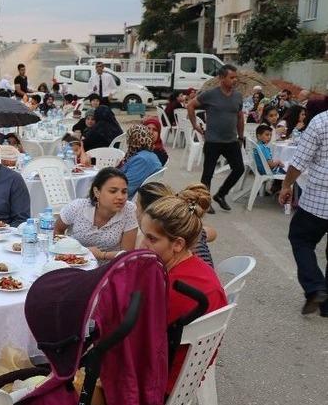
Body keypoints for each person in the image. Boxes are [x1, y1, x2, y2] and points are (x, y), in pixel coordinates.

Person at [138, 190, 226, 393]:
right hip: (183, 376)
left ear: (178, 244)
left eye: (151, 239)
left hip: (159, 384)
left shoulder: (179, 287)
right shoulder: (196, 268)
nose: (143, 244)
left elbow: (138, 339)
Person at [279, 109, 328, 315]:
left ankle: (315, 287)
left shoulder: (321, 121)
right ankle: (326, 306)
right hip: (319, 199)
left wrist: (287, 185)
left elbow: (299, 161)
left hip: (319, 199)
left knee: (300, 239)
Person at [189, 64, 245, 213]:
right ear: (221, 78)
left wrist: (241, 137)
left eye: (236, 77)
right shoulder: (210, 94)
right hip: (213, 141)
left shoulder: (238, 96)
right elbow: (191, 105)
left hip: (231, 141)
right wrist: (195, 124)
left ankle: (221, 194)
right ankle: (204, 203)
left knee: (239, 168)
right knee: (208, 173)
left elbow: (240, 117)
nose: (235, 80)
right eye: (231, 77)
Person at [54, 167, 137, 262]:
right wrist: (65, 257)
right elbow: (58, 230)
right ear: (97, 192)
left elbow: (126, 255)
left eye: (124, 192)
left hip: (109, 268)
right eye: (113, 191)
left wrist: (102, 255)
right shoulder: (77, 207)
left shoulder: (129, 210)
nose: (120, 197)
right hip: (75, 264)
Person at [135, 182, 216, 267]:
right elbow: (213, 233)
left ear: (178, 244)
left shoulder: (179, 279)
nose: (141, 246)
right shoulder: (191, 230)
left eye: (152, 239)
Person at [119, 125, 163, 198]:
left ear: (133, 140)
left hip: (132, 199)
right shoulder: (148, 154)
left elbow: (127, 188)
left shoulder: (141, 160)